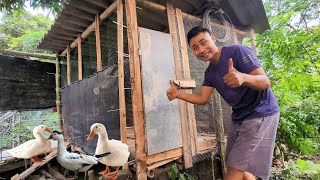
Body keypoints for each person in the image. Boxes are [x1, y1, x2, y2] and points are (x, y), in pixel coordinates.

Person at [166, 26, 279, 180]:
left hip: (260, 112)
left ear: (213, 38)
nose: (202, 49)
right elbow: (202, 98)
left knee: (234, 169)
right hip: (239, 116)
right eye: (195, 48)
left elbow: (265, 82)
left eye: (203, 42)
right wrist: (178, 94)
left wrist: (243, 78)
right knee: (235, 162)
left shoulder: (237, 51)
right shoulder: (210, 72)